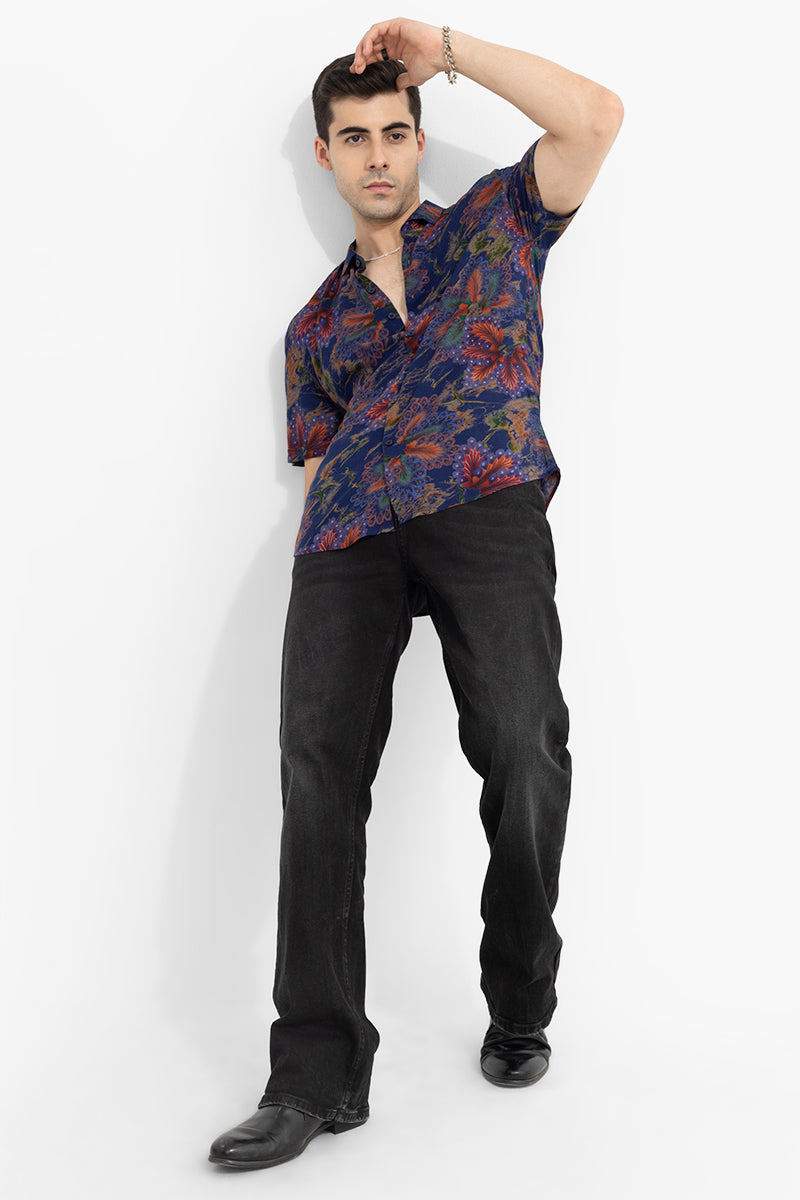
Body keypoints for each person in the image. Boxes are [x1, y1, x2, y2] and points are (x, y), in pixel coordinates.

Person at [208, 17, 623, 1171]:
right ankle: (312, 1078)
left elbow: (595, 118)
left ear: (417, 138)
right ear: (327, 155)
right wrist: (325, 563)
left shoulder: (496, 225)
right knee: (316, 776)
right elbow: (314, 462)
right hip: (348, 531)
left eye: (394, 132)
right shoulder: (314, 329)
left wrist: (445, 46)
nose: (378, 154)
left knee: (523, 746)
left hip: (484, 498)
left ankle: (519, 995)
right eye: (354, 138)